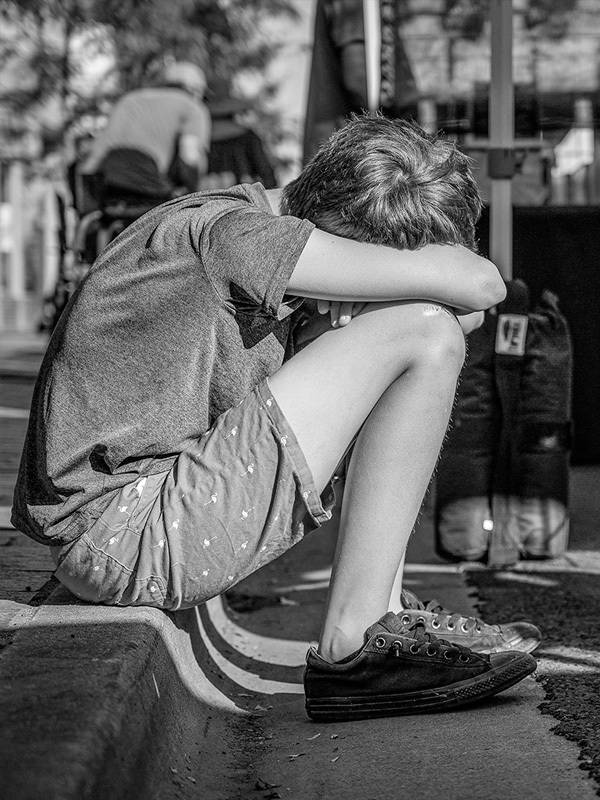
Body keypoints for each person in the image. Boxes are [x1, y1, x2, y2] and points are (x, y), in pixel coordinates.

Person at [13, 114, 539, 722]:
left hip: (124, 525)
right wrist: (395, 296)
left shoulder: (238, 219)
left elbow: (469, 308)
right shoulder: (237, 237)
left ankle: (384, 613)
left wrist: (375, 293)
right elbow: (482, 285)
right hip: (124, 536)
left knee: (423, 327)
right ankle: (356, 640)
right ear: (346, 241)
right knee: (424, 333)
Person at [82, 61, 211, 208]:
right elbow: (190, 157)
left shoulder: (130, 98)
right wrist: (195, 195)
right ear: (195, 90)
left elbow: (98, 150)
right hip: (143, 177)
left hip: (100, 177)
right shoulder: (193, 107)